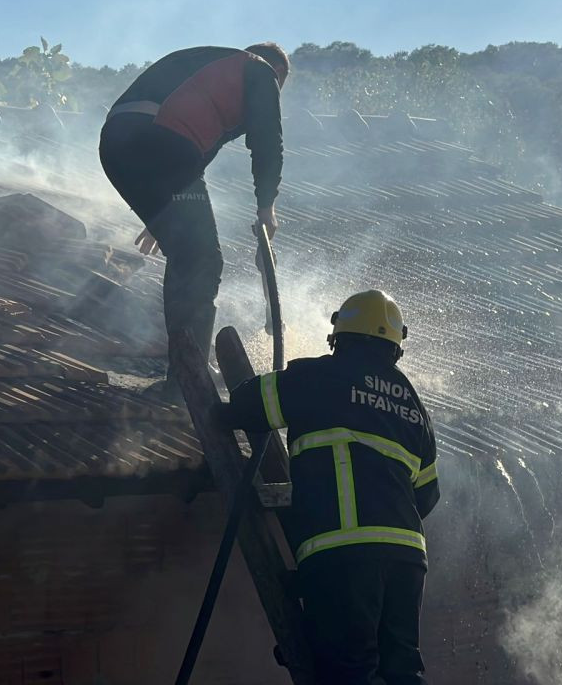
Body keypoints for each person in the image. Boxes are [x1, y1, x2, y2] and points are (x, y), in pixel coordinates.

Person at [221, 290, 440, 685]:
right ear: (395, 347)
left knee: (349, 674)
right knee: (402, 672)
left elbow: (245, 405)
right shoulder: (413, 405)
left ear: (337, 336)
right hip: (407, 561)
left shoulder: (319, 377)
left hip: (344, 557)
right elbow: (427, 494)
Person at [99, 43, 288, 396]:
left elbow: (194, 150)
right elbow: (268, 142)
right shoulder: (261, 69)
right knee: (203, 260)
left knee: (188, 255)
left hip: (116, 143)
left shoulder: (212, 69)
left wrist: (165, 212)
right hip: (161, 141)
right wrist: (266, 207)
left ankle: (185, 368)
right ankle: (188, 379)